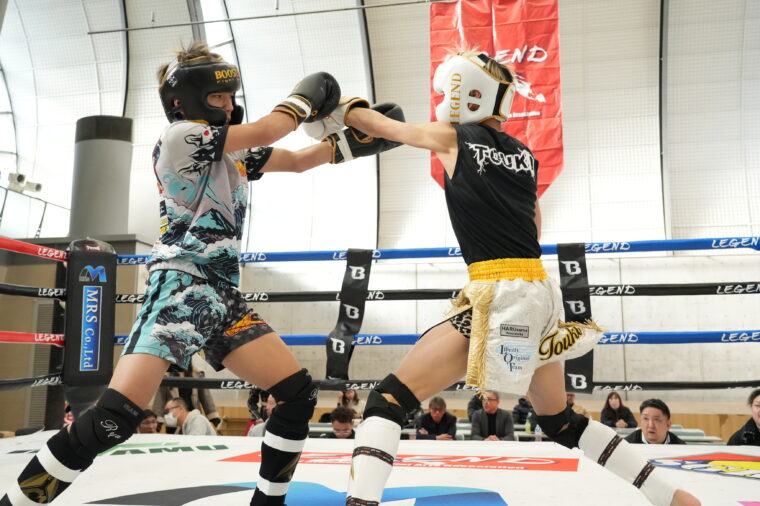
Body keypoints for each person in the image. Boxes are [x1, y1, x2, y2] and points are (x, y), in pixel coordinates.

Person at [1, 41, 401, 506]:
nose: (228, 106)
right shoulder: (180, 137)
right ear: (184, 100)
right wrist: (303, 100)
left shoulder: (231, 154)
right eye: (218, 97)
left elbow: (296, 160)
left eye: (231, 97)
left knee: (296, 395)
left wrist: (354, 142)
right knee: (114, 419)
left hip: (223, 296)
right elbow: (271, 128)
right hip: (180, 286)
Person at [334, 48, 700, 506]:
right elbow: (534, 227)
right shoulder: (525, 155)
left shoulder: (454, 136)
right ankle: (671, 496)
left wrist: (339, 106)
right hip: (538, 292)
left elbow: (387, 128)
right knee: (560, 421)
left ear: (466, 93)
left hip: (500, 295)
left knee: (386, 401)